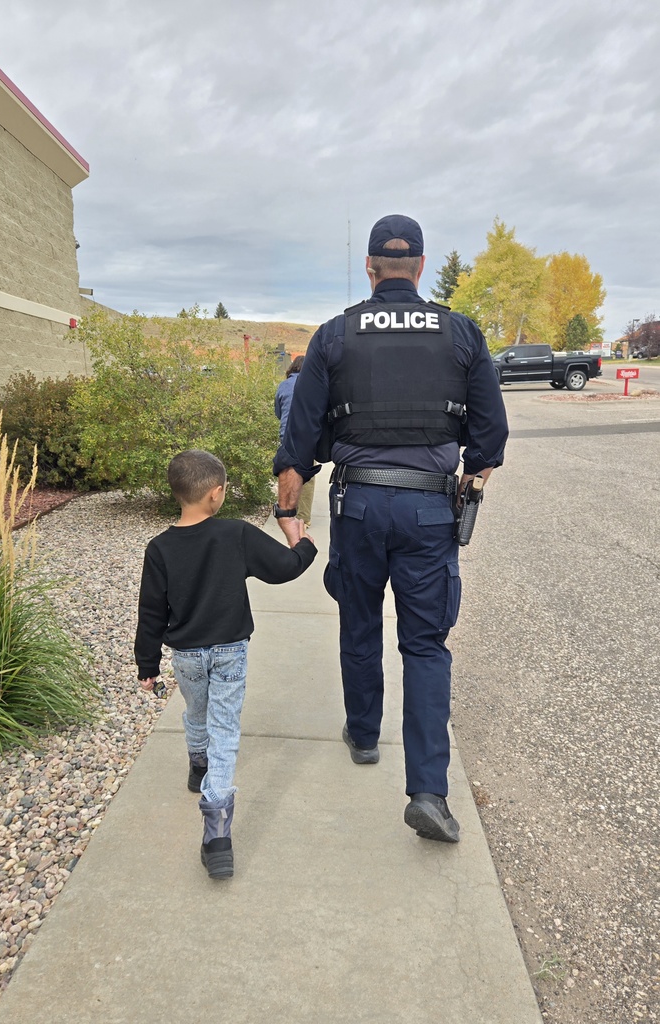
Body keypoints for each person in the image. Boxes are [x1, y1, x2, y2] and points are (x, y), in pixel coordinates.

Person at [273, 214, 508, 844]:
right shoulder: (459, 333)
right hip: (430, 509)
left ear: (372, 269)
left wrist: (287, 510)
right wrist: (470, 486)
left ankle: (363, 732)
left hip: (358, 507)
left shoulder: (334, 335)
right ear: (422, 267)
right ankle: (429, 791)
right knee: (426, 644)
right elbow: (490, 440)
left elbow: (300, 436)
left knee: (358, 619)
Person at [135, 450, 316, 878]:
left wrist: (148, 666)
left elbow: (151, 613)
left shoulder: (159, 549)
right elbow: (286, 569)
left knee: (196, 710)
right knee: (225, 726)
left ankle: (199, 764)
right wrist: (302, 541)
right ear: (216, 494)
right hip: (230, 651)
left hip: (186, 655)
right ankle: (216, 829)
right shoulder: (236, 535)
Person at [274, 355, 316, 527]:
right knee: (306, 477)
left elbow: (278, 412)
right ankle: (303, 518)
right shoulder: (313, 385)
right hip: (307, 437)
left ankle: (286, 512)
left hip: (286, 436)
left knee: (286, 473)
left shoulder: (283, 385)